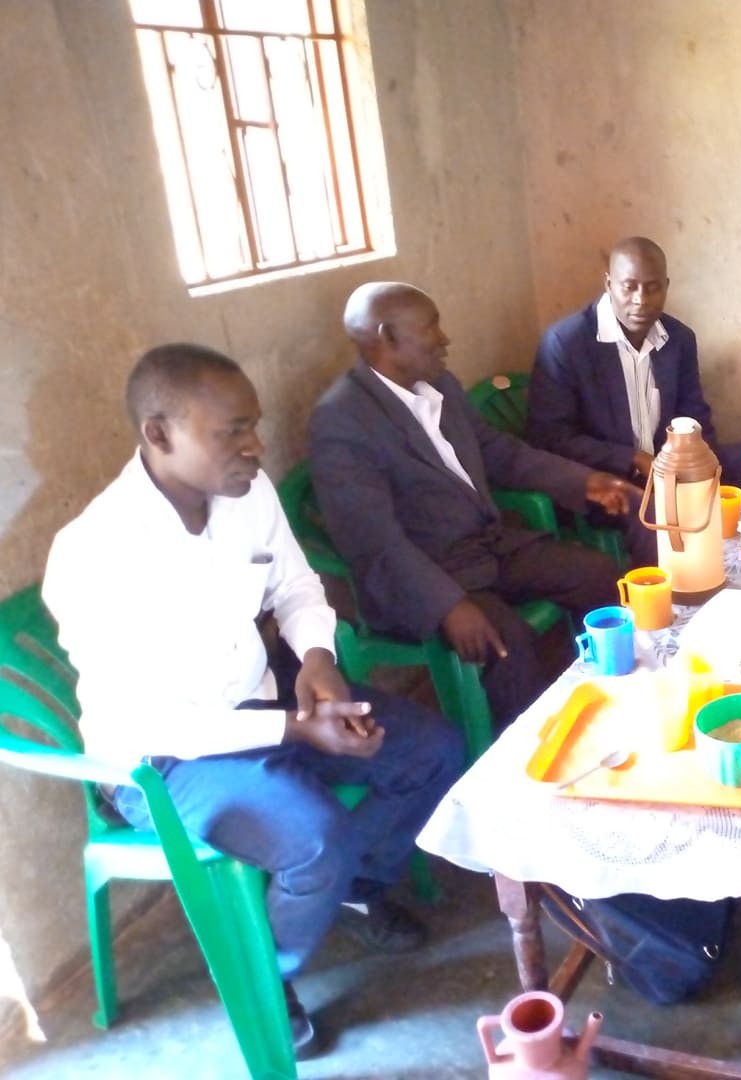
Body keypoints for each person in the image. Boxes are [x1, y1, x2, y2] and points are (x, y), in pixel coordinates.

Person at [43, 344, 466, 1058]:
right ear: (159, 434)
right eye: (232, 431)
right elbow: (153, 722)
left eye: (254, 426)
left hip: (263, 708)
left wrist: (319, 662)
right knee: (316, 837)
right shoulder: (94, 553)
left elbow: (295, 587)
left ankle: (354, 886)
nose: (255, 446)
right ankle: (264, 975)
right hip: (161, 760)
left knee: (432, 751)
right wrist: (296, 729)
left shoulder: (248, 492)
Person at [307, 282, 635, 729]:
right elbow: (373, 540)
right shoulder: (341, 421)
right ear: (387, 337)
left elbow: (500, 453)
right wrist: (447, 605)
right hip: (429, 572)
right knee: (505, 643)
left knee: (601, 577)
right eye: (430, 327)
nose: (444, 339)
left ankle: (613, 702)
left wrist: (584, 481)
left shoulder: (439, 386)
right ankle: (524, 751)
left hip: (487, 546)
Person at [527, 237, 741, 565]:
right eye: (629, 287)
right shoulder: (566, 343)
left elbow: (694, 412)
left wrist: (695, 457)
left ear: (666, 287)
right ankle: (675, 589)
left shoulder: (678, 339)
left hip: (668, 467)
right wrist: (633, 459)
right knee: (654, 506)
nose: (641, 300)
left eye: (652, 288)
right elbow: (549, 438)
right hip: (603, 477)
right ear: (608, 283)